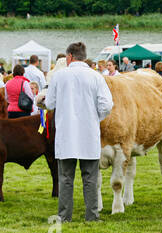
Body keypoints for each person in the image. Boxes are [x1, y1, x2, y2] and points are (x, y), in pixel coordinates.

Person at [41, 42, 113, 222]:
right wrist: (95, 117)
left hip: (67, 134)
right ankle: (92, 215)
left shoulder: (59, 76)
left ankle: (65, 216)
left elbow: (49, 104)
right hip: (88, 133)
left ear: (69, 57)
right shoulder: (96, 77)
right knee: (90, 178)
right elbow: (107, 105)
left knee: (65, 178)